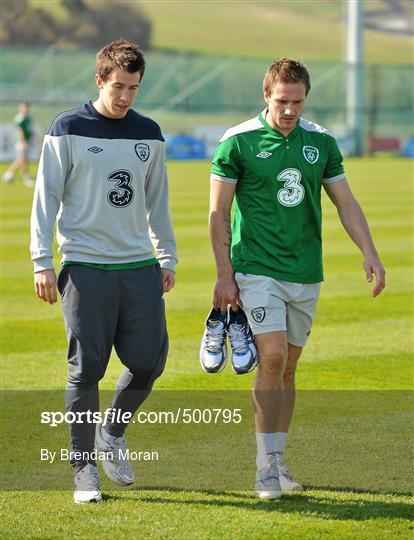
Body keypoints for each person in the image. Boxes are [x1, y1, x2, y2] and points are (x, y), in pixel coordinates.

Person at [204, 58, 385, 499]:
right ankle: (264, 468)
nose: (289, 110)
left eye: (297, 102)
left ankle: (279, 460)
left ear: (306, 99)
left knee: (289, 367)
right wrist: (224, 276)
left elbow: (345, 202)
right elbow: (218, 213)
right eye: (282, 101)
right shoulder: (237, 142)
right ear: (266, 95)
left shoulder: (320, 142)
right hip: (256, 267)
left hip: (305, 272)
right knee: (271, 358)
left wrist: (370, 253)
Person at [30, 40, 177, 504]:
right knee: (86, 370)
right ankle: (83, 471)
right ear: (100, 80)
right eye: (118, 87)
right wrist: (42, 261)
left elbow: (158, 201)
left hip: (138, 266)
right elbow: (45, 198)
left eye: (133, 88)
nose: (126, 97)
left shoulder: (149, 133)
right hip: (85, 265)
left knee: (149, 361)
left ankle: (110, 434)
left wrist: (165, 256)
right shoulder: (67, 127)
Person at [3, 101, 35, 187]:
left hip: (27, 141)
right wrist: (22, 142)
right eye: (24, 107)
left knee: (22, 160)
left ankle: (8, 174)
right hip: (21, 142)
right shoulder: (20, 118)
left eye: (27, 107)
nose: (26, 109)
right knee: (22, 160)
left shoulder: (28, 117)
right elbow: (19, 131)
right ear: (20, 108)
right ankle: (26, 178)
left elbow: (29, 130)